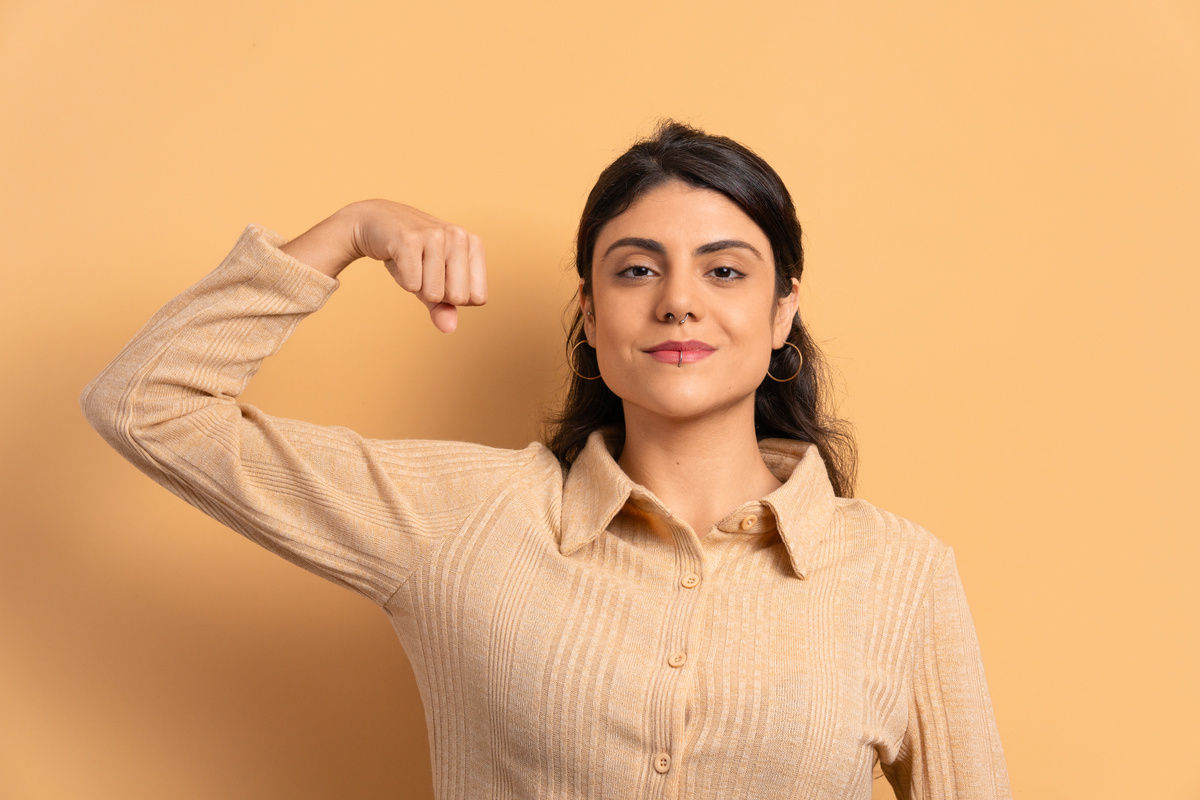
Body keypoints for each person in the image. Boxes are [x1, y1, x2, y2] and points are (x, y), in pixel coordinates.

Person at [80, 120, 1010, 798]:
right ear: (591, 314)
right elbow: (147, 405)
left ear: (781, 313)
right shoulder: (463, 519)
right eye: (637, 269)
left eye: (724, 270)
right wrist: (352, 230)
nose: (679, 301)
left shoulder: (901, 576)